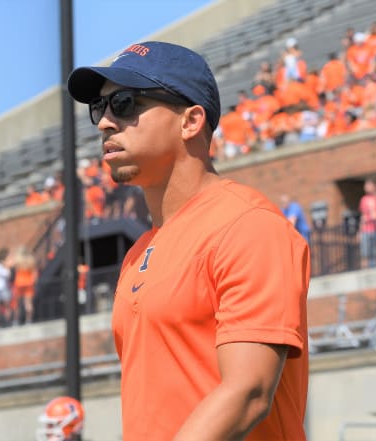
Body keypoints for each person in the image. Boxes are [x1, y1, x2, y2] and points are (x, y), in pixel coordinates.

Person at [67, 41, 310, 441]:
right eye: (100, 108)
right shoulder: (138, 253)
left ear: (191, 121)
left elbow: (247, 392)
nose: (104, 123)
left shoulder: (248, 225)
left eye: (124, 103)